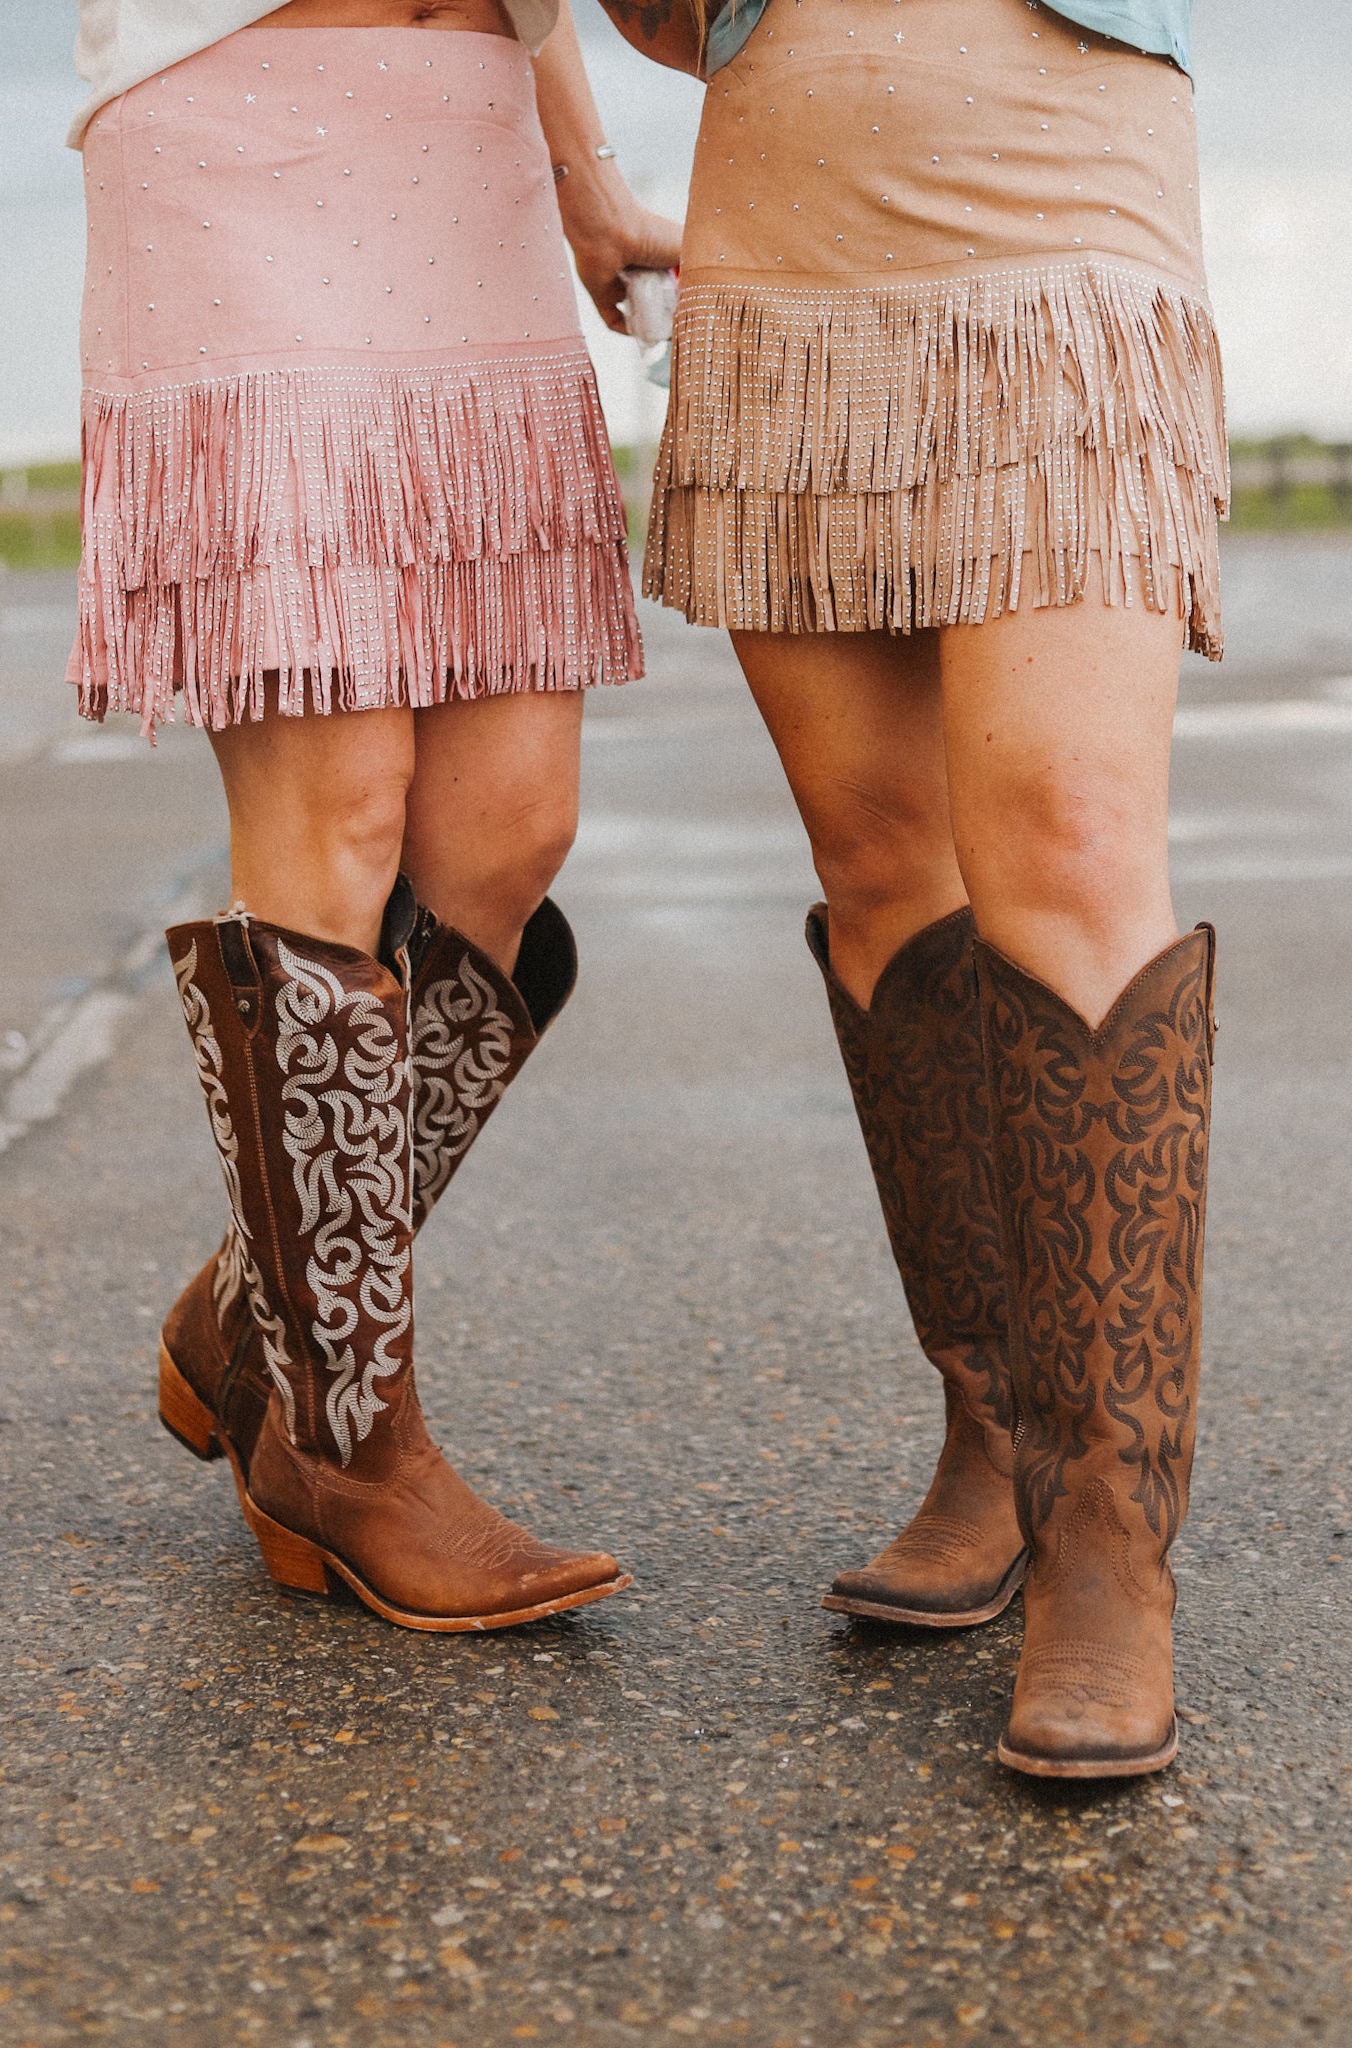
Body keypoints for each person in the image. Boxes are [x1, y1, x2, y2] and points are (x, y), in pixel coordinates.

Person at [609, 0, 1224, 1777]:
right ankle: (995, 1423)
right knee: (879, 859)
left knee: (1073, 834)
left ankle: (1105, 1530)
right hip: (791, 238)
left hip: (1060, 203)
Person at [68, 0, 680, 1630]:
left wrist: (586, 184)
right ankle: (346, 1455)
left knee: (506, 833)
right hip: (235, 124)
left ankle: (250, 1312)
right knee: (336, 814)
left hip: (465, 130)